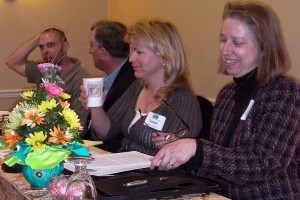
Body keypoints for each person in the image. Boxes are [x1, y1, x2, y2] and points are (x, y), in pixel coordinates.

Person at [150, 1, 300, 200]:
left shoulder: (284, 91)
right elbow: (224, 160)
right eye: (223, 40)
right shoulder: (227, 94)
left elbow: (264, 164)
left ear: (264, 46)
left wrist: (196, 149)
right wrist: (182, 147)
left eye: (237, 43)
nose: (226, 50)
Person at [80, 19, 202, 155]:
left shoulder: (182, 99)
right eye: (132, 50)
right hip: (123, 166)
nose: (131, 58)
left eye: (139, 52)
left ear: (164, 56)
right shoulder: (137, 87)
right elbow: (105, 132)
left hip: (154, 173)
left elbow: (176, 158)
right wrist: (95, 106)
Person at [5, 27, 89, 127]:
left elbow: (80, 125)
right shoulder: (43, 70)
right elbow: (12, 62)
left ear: (65, 47)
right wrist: (38, 38)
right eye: (41, 47)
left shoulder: (80, 79)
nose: (45, 51)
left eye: (50, 45)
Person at [82, 20, 136, 152]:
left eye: (91, 46)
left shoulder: (132, 82)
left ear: (103, 53)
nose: (90, 51)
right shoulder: (106, 78)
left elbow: (112, 135)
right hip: (91, 147)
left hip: (109, 153)